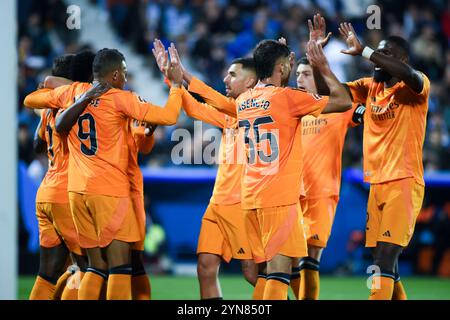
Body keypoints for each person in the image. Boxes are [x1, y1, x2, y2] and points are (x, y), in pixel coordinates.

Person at [24, 46, 184, 299]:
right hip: (113, 190)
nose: (127, 77)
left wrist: (71, 90)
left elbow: (31, 100)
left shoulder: (71, 94)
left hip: (74, 191)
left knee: (91, 267)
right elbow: (170, 115)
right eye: (125, 72)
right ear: (115, 75)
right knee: (123, 266)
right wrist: (176, 86)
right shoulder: (123, 99)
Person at [152, 40, 258, 299]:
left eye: (233, 74)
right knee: (206, 267)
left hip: (243, 204)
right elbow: (194, 107)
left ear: (251, 83)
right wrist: (172, 80)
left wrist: (184, 75)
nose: (226, 78)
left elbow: (212, 99)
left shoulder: (257, 111)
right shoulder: (228, 116)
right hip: (218, 202)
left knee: (253, 273)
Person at [335, 22, 430, 300]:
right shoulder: (370, 87)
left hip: (403, 181)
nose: (377, 57)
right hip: (377, 183)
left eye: (384, 53)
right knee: (382, 258)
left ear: (400, 59)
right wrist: (316, 63)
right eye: (377, 52)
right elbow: (333, 91)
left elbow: (411, 76)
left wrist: (364, 50)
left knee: (385, 258)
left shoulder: (415, 86)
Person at [290, 14, 366, 300]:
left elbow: (371, 117)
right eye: (297, 74)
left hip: (322, 191)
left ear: (319, 76)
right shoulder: (292, 106)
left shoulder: (340, 106)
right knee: (286, 259)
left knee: (311, 258)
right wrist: (307, 49)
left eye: (305, 74)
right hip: (291, 191)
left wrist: (319, 59)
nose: (299, 78)